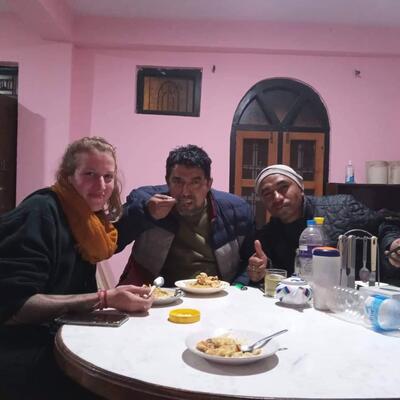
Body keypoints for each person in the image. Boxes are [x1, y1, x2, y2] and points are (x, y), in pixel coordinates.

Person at [0, 137, 153, 400]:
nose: (101, 186)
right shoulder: (40, 212)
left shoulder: (88, 220)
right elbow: (14, 306)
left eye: (108, 176)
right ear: (68, 176)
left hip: (62, 338)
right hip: (24, 353)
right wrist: (104, 298)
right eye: (89, 174)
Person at [116, 144, 254, 287]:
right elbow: (112, 243)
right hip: (157, 292)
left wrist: (236, 288)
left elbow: (251, 262)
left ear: (208, 184)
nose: (185, 192)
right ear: (167, 181)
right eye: (177, 181)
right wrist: (146, 212)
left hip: (216, 293)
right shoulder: (146, 200)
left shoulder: (236, 210)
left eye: (195, 182)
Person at [247, 164, 389, 284]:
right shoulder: (268, 236)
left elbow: (384, 225)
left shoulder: (342, 208)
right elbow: (272, 272)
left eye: (283, 187)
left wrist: (391, 243)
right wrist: (262, 271)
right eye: (267, 194)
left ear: (301, 188)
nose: (277, 197)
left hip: (355, 296)